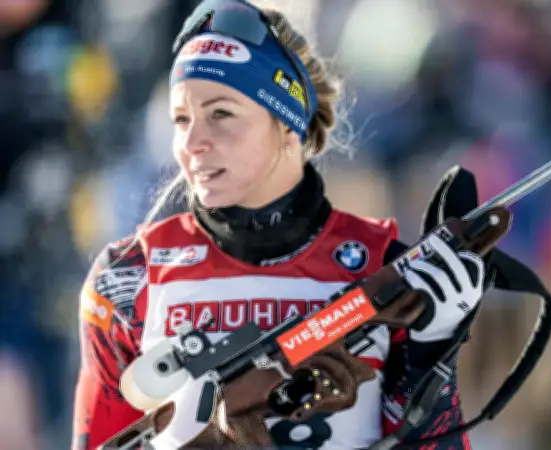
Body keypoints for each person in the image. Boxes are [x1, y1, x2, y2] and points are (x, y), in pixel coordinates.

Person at [71, 1, 508, 449]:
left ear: (286, 124)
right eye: (181, 119)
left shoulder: (383, 262)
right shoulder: (128, 278)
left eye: (221, 114)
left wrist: (434, 348)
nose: (192, 142)